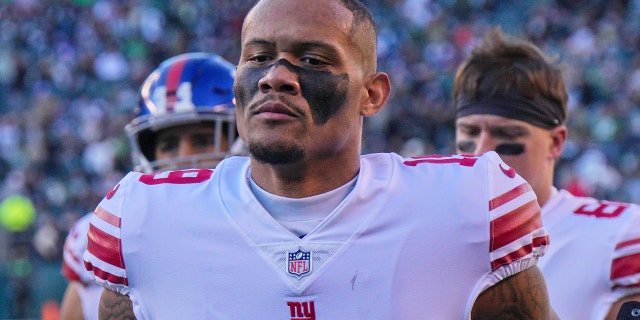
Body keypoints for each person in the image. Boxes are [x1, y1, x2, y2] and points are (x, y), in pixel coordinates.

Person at [84, 1, 557, 318]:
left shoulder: (469, 208)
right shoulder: (143, 219)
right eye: (258, 57)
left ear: (372, 95)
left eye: (312, 60)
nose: (276, 77)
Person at [453, 27, 640, 320]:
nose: (482, 154)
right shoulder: (431, 226)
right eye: (470, 133)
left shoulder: (619, 234)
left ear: (555, 143)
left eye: (507, 135)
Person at [59, 52, 238, 320]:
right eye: (168, 145)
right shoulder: (105, 233)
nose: (183, 157)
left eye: (202, 140)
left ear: (242, 138)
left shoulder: (272, 221)